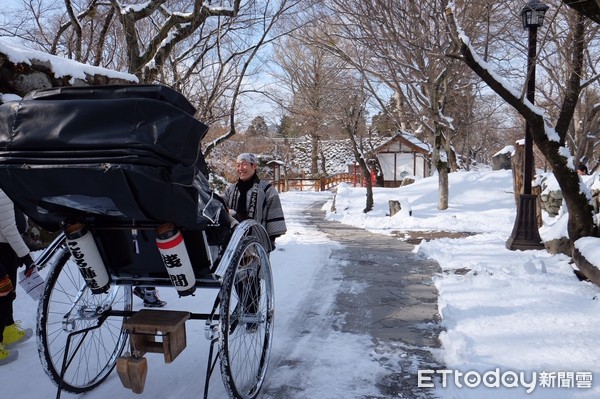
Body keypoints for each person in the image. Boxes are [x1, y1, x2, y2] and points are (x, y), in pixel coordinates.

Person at [0, 188, 36, 366]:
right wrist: (25, 255)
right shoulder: (2, 191)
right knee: (4, 293)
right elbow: (9, 228)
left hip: (6, 247)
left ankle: (8, 330)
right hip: (3, 245)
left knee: (8, 290)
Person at [224, 153, 287, 248]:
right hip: (233, 244)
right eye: (238, 165)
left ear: (254, 166)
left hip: (258, 243)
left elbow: (275, 214)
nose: (240, 168)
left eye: (244, 164)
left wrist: (270, 241)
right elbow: (222, 210)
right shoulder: (230, 190)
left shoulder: (267, 189)